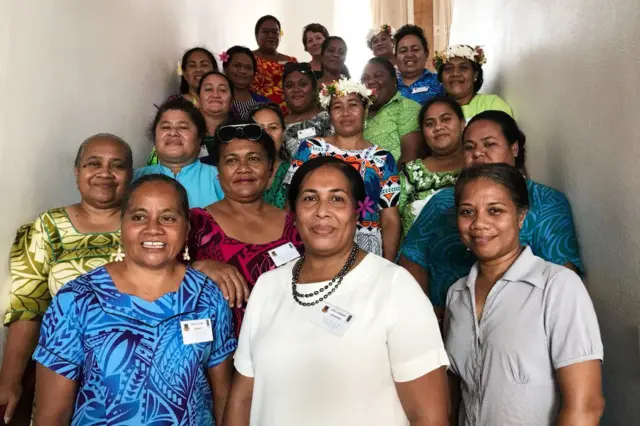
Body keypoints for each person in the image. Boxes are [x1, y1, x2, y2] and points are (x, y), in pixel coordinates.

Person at [222, 156, 451, 426]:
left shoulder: (394, 287)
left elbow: (430, 417)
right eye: (309, 198)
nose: (322, 211)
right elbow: (241, 399)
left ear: (357, 211)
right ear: (293, 213)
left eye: (337, 199)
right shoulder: (268, 286)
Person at [33, 174, 237, 425]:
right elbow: (51, 415)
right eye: (139, 217)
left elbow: (224, 396)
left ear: (186, 229)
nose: (153, 228)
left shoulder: (208, 296)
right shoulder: (76, 300)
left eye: (168, 217)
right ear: (122, 225)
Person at [445, 163, 604, 425]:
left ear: (521, 216)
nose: (479, 223)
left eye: (495, 210)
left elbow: (585, 407)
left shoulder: (558, 286)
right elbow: (458, 390)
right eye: (467, 212)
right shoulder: (457, 295)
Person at [0, 134, 133, 424]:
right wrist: (9, 380)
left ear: (130, 175)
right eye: (93, 163)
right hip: (60, 370)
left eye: (117, 165)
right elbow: (28, 305)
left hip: (132, 371)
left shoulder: (145, 225)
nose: (105, 173)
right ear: (77, 173)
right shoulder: (48, 227)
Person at [399, 111, 583, 318]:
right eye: (469, 147)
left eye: (489, 144)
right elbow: (412, 257)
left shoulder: (545, 201)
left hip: (517, 325)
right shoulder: (442, 202)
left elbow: (562, 282)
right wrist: (425, 314)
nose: (477, 153)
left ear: (514, 148)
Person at [188, 120, 304, 336]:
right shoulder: (195, 223)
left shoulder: (295, 225)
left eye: (254, 158)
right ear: (218, 171)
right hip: (221, 357)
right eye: (232, 160)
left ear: (270, 168)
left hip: (289, 347)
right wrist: (198, 266)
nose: (243, 168)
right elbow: (160, 278)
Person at [286, 77, 401, 260]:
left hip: (367, 252)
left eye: (353, 105)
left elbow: (390, 218)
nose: (346, 113)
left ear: (365, 110)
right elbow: (290, 204)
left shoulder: (382, 159)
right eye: (338, 107)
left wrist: (388, 266)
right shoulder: (310, 149)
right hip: (314, 245)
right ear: (329, 114)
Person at [135, 98, 225, 208]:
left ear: (199, 138)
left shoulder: (220, 179)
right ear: (155, 137)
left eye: (183, 127)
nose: (173, 133)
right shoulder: (135, 178)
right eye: (165, 127)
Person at [398, 96, 464, 237]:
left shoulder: (478, 167)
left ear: (462, 123)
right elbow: (393, 223)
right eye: (429, 124)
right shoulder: (409, 173)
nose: (438, 127)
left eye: (446, 119)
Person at [147, 72, 235, 165]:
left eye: (223, 90)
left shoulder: (241, 132)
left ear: (232, 100)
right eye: (208, 89)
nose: (215, 95)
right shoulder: (180, 133)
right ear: (198, 99)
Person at [361, 57, 422, 164]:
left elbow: (410, 159)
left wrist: (388, 180)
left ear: (394, 79)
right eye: (364, 78)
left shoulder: (407, 107)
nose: (370, 81)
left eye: (378, 76)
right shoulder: (358, 112)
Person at [434, 44, 513, 120]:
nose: (455, 74)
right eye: (448, 69)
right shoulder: (435, 110)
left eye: (463, 68)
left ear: (475, 74)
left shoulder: (492, 104)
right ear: (441, 76)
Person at [282, 62, 333, 156]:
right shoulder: (277, 125)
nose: (296, 90)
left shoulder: (330, 120)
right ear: (283, 92)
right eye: (289, 86)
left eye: (303, 84)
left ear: (314, 89)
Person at [250, 15, 297, 111]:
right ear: (256, 35)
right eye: (265, 32)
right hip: (256, 111)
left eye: (275, 32)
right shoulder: (248, 58)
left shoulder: (291, 61)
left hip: (289, 114)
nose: (271, 35)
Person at [250, 104, 290, 208]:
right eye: (260, 128)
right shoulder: (240, 173)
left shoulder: (294, 172)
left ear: (283, 133)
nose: (267, 134)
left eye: (273, 127)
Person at [394, 25, 445, 105]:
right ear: (395, 57)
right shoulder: (391, 87)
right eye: (403, 51)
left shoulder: (440, 83)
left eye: (415, 49)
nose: (409, 55)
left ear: (426, 54)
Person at [222, 46, 270, 119]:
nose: (242, 71)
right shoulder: (217, 101)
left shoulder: (265, 103)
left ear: (254, 73)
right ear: (226, 68)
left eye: (248, 68)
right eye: (237, 66)